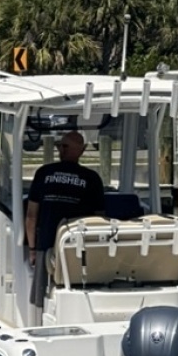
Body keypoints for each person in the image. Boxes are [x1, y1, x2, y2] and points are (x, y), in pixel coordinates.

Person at [25, 130, 105, 306]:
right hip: (78, 246)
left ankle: (40, 321)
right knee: (77, 287)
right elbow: (99, 219)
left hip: (47, 245)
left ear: (81, 149)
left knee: (41, 296)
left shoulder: (44, 173)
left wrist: (32, 249)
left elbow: (31, 216)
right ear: (82, 151)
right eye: (60, 145)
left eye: (64, 146)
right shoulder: (92, 179)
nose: (60, 149)